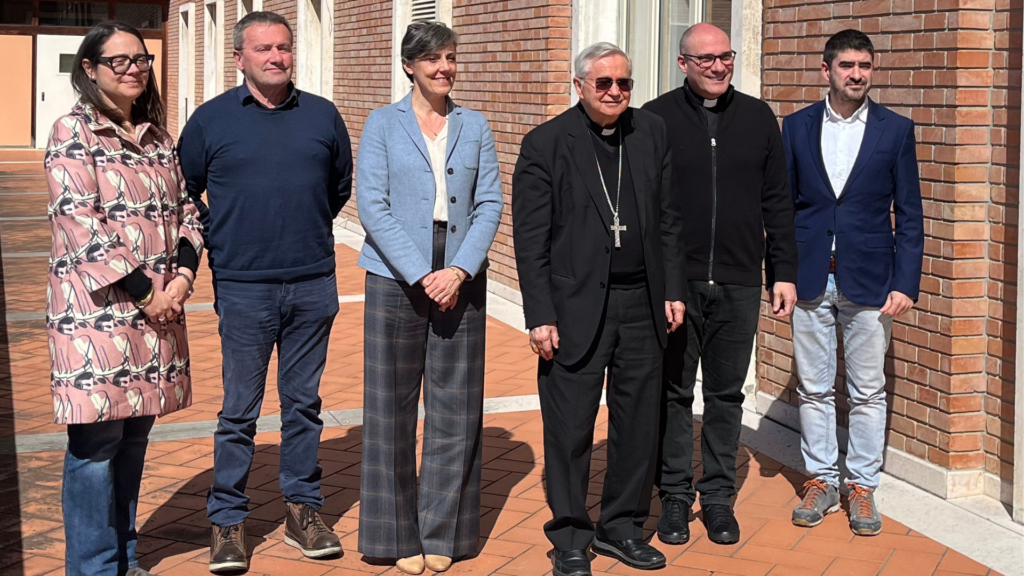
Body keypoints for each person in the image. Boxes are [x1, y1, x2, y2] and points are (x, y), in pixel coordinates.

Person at [177, 11, 352, 572]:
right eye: (263, 49)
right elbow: (183, 192)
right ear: (239, 58)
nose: (276, 57)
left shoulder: (322, 115)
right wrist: (222, 236)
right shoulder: (211, 120)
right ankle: (228, 519)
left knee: (303, 405)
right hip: (244, 287)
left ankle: (303, 509)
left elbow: (338, 188)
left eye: (284, 47)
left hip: (312, 283)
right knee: (239, 411)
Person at [512, 42, 687, 576]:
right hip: (574, 307)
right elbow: (531, 239)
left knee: (637, 425)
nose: (615, 92)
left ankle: (622, 528)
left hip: (642, 302)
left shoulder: (651, 132)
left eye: (624, 83)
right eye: (604, 82)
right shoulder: (546, 143)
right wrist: (540, 314)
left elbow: (669, 218)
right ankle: (569, 537)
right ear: (580, 85)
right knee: (570, 428)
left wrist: (672, 288)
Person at [45, 21, 204, 576]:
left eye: (141, 59)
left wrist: (182, 279)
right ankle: (93, 567)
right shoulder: (73, 132)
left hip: (157, 315)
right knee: (96, 448)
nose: (134, 69)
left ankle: (125, 558)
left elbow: (189, 213)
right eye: (120, 61)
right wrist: (145, 292)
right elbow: (79, 224)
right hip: (97, 318)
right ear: (89, 69)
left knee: (134, 439)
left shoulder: (159, 138)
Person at [642, 23, 798, 545]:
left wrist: (783, 272)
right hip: (678, 284)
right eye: (705, 58)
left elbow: (778, 200)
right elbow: (646, 206)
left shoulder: (758, 117)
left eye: (725, 56)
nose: (717, 66)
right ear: (683, 63)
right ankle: (674, 495)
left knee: (727, 394)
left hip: (739, 280)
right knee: (674, 392)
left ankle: (716, 498)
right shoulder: (655, 118)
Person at [355, 21, 502, 575]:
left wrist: (459, 269)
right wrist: (423, 274)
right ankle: (395, 534)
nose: (445, 68)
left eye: (451, 58)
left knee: (455, 406)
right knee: (390, 405)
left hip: (461, 270)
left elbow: (490, 202)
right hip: (396, 273)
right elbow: (372, 204)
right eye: (433, 59)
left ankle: (443, 530)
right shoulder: (382, 123)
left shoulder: (474, 124)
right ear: (409, 66)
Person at [782, 29, 923, 536]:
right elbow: (782, 208)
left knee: (867, 391)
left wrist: (906, 283)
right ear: (827, 70)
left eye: (864, 65)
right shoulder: (796, 126)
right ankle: (822, 480)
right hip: (809, 278)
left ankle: (861, 486)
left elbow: (910, 214)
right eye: (847, 65)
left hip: (871, 281)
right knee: (814, 388)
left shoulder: (895, 130)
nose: (857, 74)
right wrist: (781, 274)